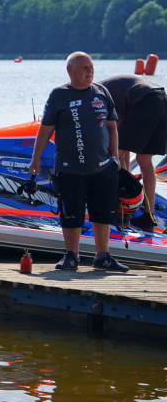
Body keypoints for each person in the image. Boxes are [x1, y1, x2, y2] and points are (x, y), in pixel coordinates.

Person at [28, 52, 128, 272]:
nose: (90, 71)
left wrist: (115, 157)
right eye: (84, 67)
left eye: (91, 67)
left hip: (102, 166)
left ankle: (103, 256)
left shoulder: (102, 93)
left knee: (103, 212)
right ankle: (71, 256)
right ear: (70, 71)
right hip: (69, 167)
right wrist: (35, 158)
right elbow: (45, 130)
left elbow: (111, 127)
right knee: (71, 212)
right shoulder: (59, 95)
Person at [98, 73, 167, 230]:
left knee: (116, 154)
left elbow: (116, 141)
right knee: (144, 160)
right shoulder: (107, 90)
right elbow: (123, 139)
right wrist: (126, 173)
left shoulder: (94, 95)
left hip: (144, 99)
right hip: (161, 98)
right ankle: (147, 217)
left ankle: (122, 212)